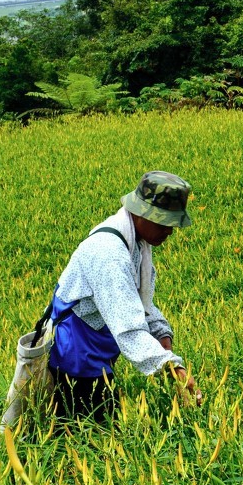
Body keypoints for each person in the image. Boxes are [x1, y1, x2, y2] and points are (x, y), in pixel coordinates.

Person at [42, 171, 202, 421]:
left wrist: (164, 340)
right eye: (164, 222)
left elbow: (141, 305)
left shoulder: (137, 241)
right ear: (140, 213)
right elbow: (129, 327)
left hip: (97, 349)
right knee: (90, 430)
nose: (170, 231)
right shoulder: (110, 254)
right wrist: (175, 369)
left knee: (103, 425)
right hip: (76, 357)